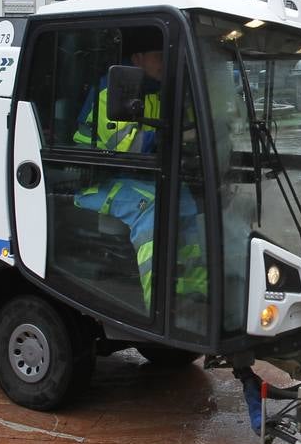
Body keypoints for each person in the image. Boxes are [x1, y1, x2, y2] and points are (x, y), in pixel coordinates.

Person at [73, 29, 204, 311]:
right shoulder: (114, 90)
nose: (165, 63)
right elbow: (124, 150)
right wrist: (172, 137)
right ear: (138, 58)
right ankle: (157, 306)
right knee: (153, 209)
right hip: (94, 180)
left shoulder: (159, 89)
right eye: (159, 56)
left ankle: (194, 293)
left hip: (139, 178)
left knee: (187, 203)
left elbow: (192, 128)